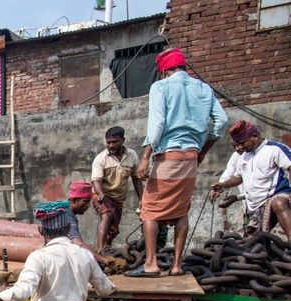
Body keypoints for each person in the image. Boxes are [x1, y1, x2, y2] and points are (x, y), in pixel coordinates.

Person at [129, 48, 228, 277]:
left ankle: (151, 264)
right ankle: (176, 266)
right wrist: (203, 151)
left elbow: (157, 124)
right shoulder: (204, 88)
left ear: (164, 70)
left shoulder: (161, 87)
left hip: (168, 156)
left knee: (150, 210)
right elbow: (221, 121)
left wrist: (145, 158)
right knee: (180, 209)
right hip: (191, 158)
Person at [211, 120, 291, 239]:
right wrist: (223, 185)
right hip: (256, 206)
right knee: (251, 243)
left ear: (254, 136)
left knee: (279, 203)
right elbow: (238, 178)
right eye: (237, 144)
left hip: (277, 195)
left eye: (242, 143)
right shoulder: (244, 156)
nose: (240, 147)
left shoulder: (275, 149)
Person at [91, 126, 144, 251]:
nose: (111, 145)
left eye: (114, 142)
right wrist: (101, 194)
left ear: (123, 140)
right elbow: (96, 181)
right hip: (102, 194)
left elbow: (136, 179)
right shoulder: (101, 158)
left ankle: (107, 247)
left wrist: (142, 199)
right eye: (108, 142)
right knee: (107, 215)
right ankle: (100, 250)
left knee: (114, 230)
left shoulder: (132, 155)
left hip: (118, 198)